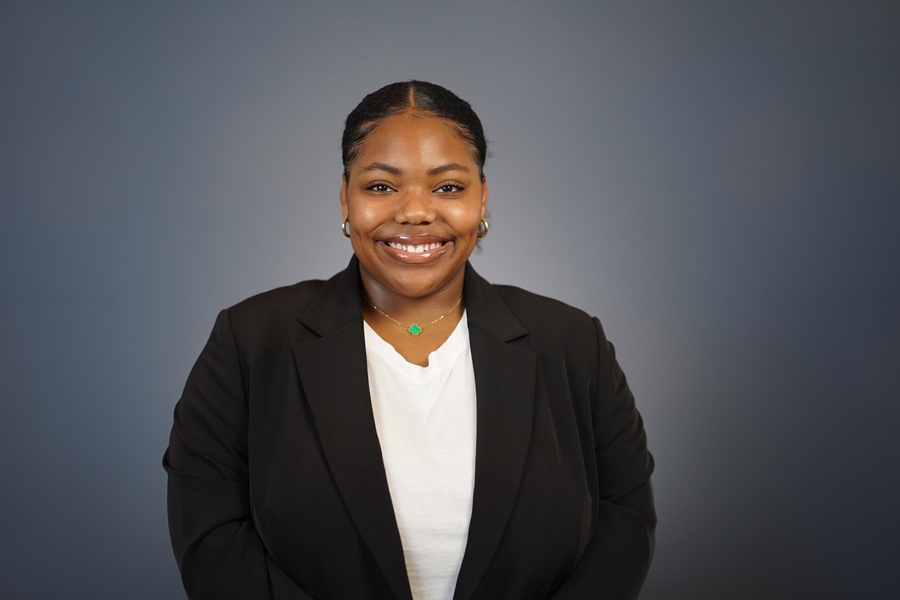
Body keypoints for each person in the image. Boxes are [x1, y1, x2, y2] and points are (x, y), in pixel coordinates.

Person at [163, 80, 656, 600]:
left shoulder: (572, 342)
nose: (416, 212)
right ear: (345, 197)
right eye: (381, 186)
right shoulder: (249, 341)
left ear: (482, 197)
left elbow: (624, 523)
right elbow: (212, 538)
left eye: (448, 187)